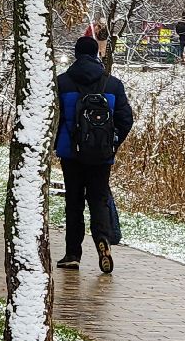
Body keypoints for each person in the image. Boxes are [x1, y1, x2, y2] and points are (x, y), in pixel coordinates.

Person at [54, 35, 133, 274]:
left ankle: (72, 254)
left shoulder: (62, 82)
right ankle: (103, 241)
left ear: (76, 54)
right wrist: (112, 143)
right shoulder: (113, 84)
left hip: (71, 153)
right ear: (97, 54)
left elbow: (54, 119)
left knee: (74, 201)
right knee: (98, 199)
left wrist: (59, 142)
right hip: (101, 154)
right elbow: (126, 119)